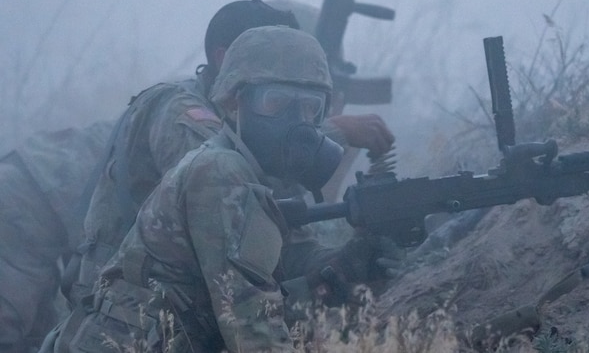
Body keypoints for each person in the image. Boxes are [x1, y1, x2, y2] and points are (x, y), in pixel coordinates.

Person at [43, 25, 403, 353]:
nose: (296, 122)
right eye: (275, 102)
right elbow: (253, 330)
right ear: (234, 102)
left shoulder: (248, 174)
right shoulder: (220, 171)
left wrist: (345, 261)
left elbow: (283, 262)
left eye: (311, 107)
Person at [0, 122, 112, 353]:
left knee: (40, 330)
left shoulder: (135, 124)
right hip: (25, 204)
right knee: (8, 321)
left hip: (31, 199)